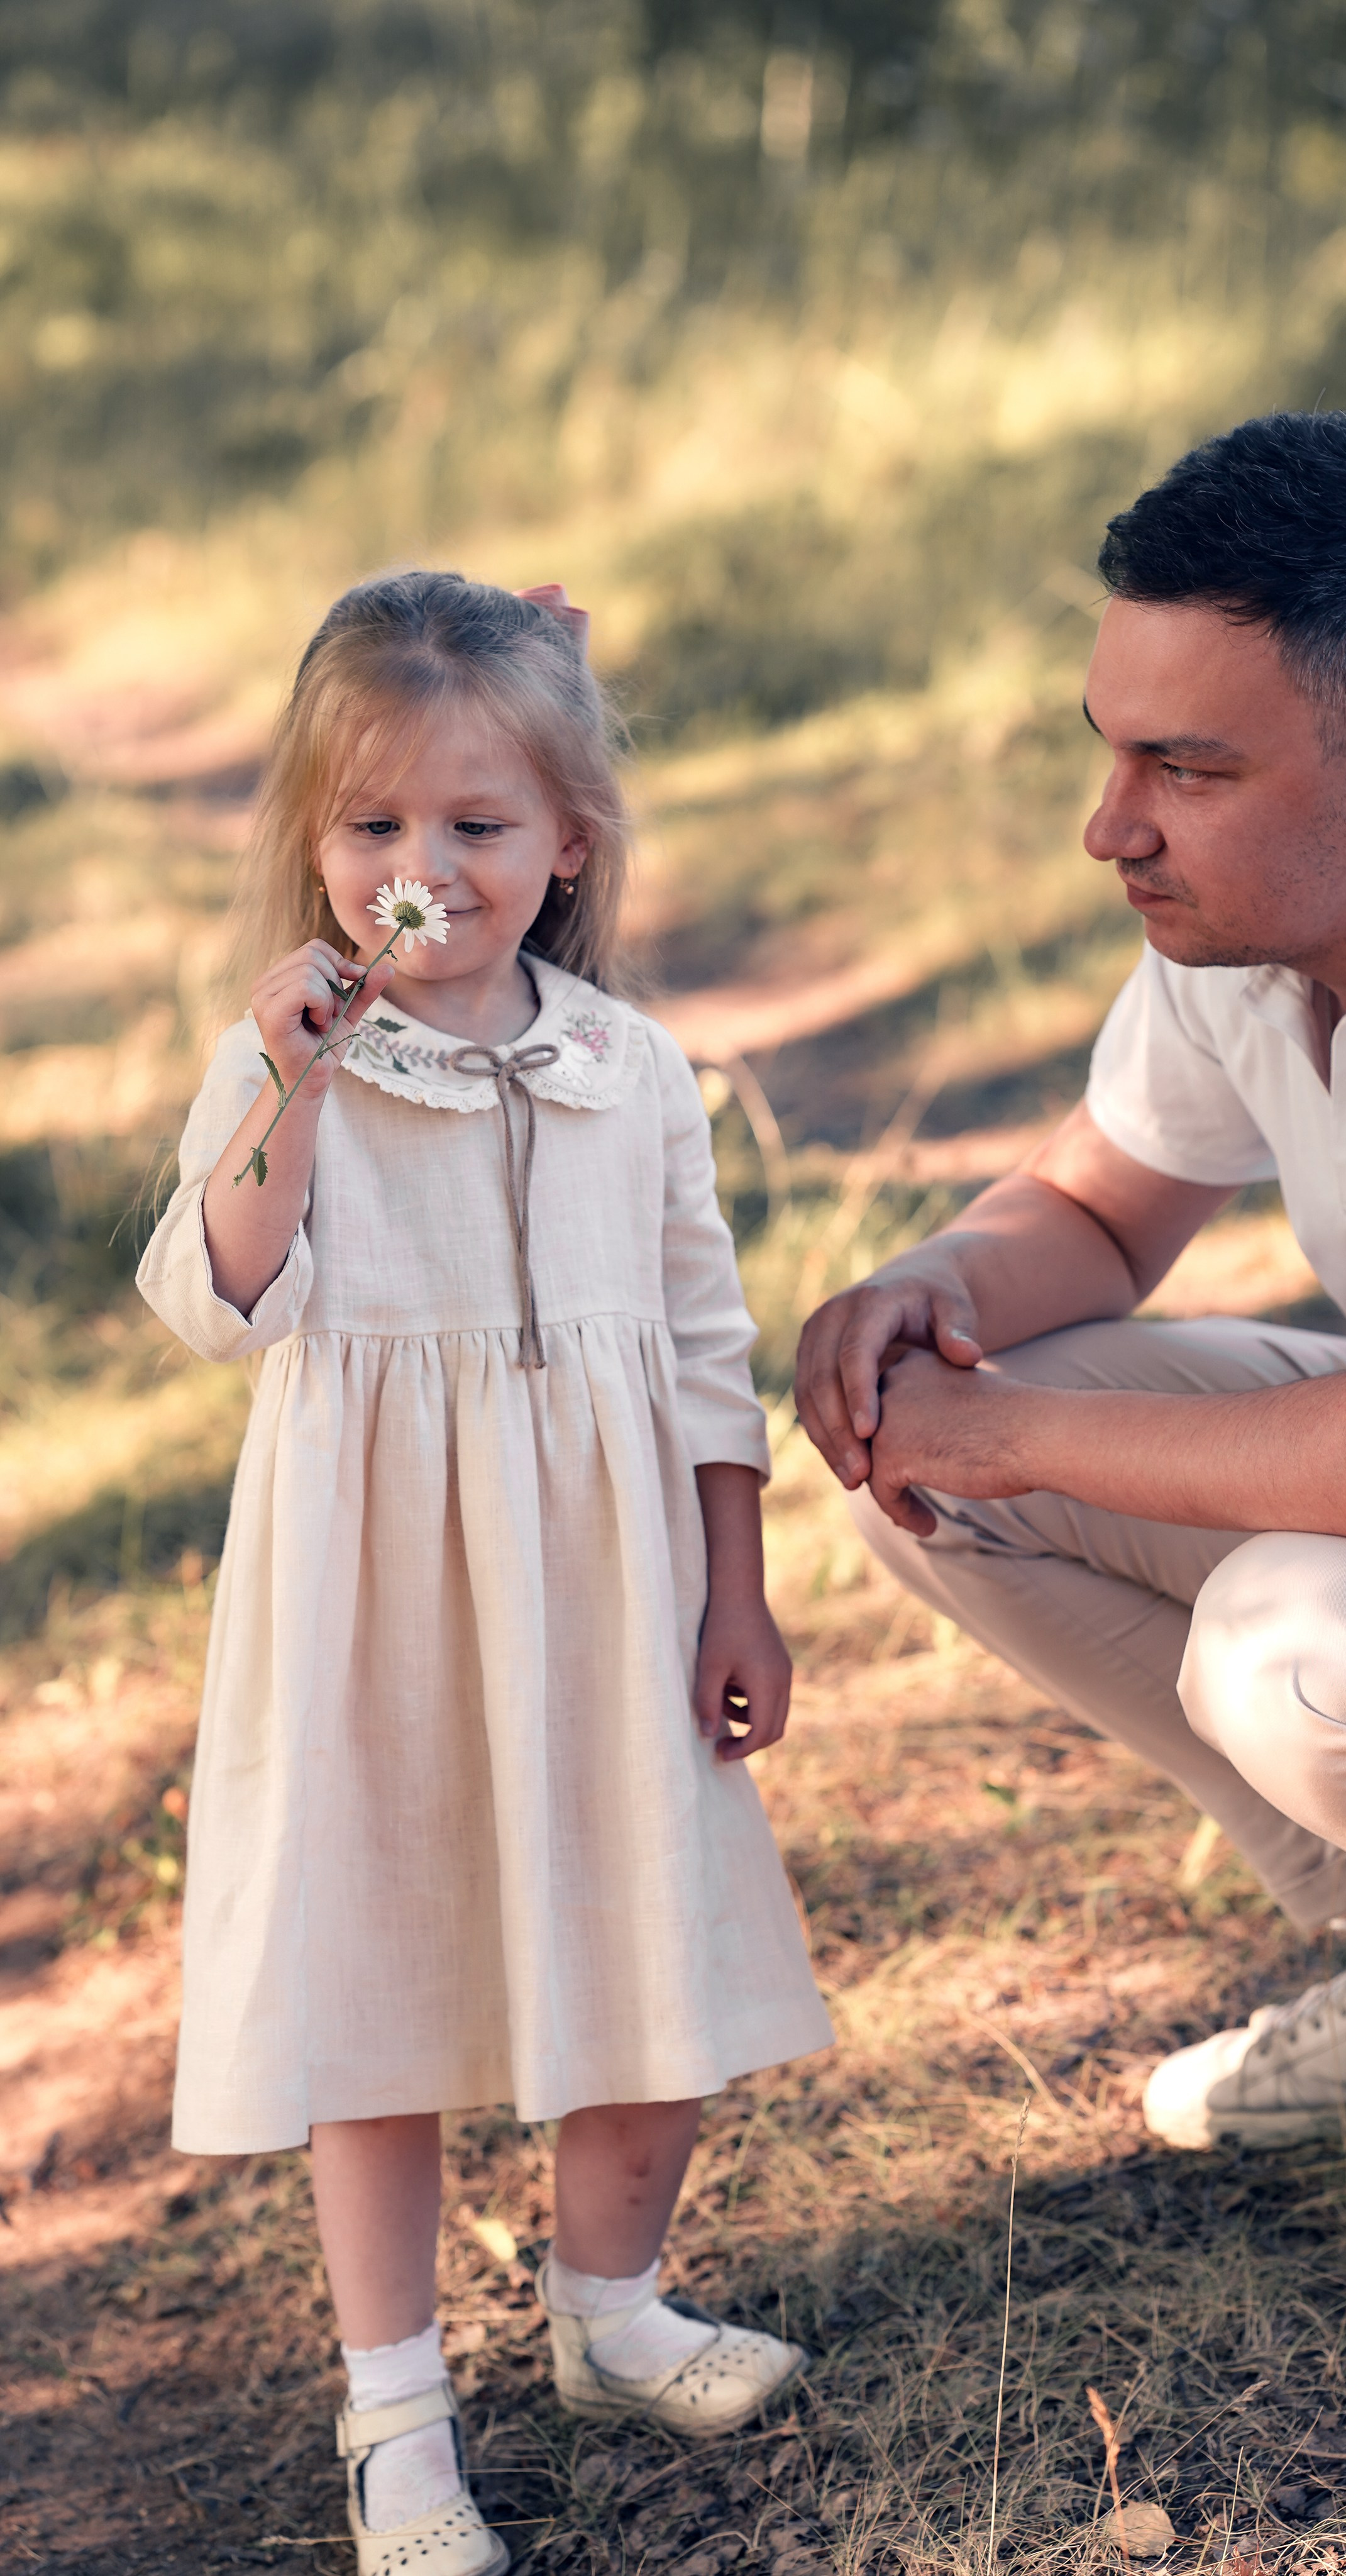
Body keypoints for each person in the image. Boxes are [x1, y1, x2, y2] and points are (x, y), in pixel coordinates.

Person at [138, 572, 831, 2576]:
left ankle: (610, 2315)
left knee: (650, 1959)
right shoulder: (290, 1059)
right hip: (377, 1608)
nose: (416, 871)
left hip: (607, 1588)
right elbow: (217, 1304)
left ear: (564, 847)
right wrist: (287, 1080)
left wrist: (737, 1587)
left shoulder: (633, 1069)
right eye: (371, 830)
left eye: (471, 826)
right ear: (313, 842)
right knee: (383, 1987)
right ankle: (396, 2419)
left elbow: (707, 1349)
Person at [794, 410, 1346, 2158]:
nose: (1111, 830)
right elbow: (1094, 1204)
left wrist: (1019, 1427)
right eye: (1112, 756)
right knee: (917, 1463)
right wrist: (923, 1296)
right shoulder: (1258, 930)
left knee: (1293, 1647)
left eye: (1187, 770)